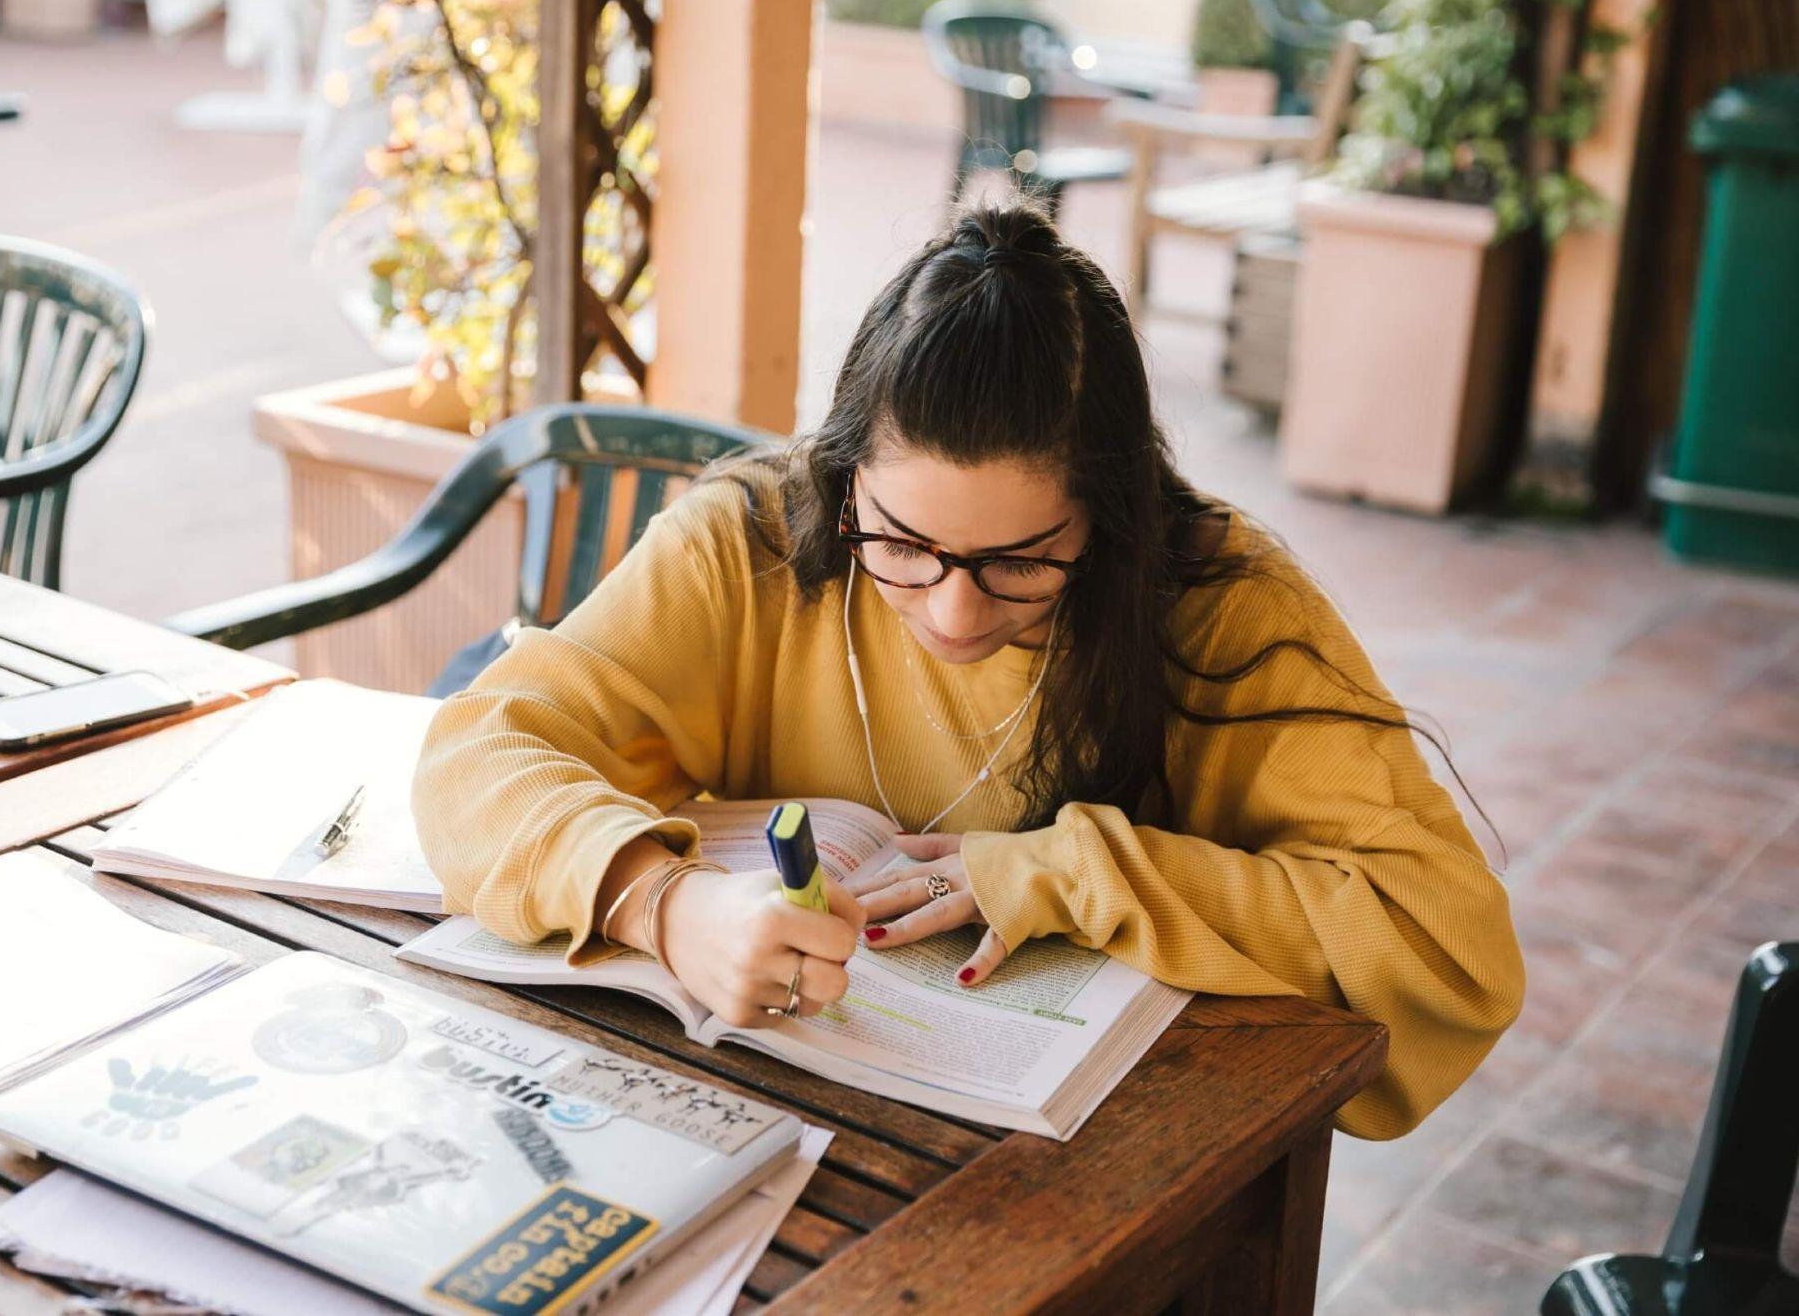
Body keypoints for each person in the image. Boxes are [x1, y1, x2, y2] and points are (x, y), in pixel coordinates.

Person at [412, 200, 1523, 1140]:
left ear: (1109, 521)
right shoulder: (750, 542)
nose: (949, 608)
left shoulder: (1213, 600)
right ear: (842, 477)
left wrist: (1072, 873)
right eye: (897, 543)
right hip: (761, 1113)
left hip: (1102, 1154)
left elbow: (1438, 944)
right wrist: (661, 905)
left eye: (1022, 562)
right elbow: (478, 752)